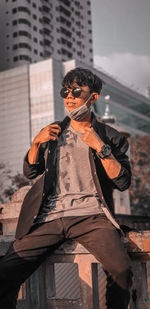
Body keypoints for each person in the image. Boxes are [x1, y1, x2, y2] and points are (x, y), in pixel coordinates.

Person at [0, 67, 133, 309]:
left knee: (122, 271)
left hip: (92, 217)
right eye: (65, 91)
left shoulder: (111, 137)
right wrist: (36, 143)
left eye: (76, 91)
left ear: (92, 98)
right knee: (6, 270)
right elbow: (30, 172)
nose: (69, 97)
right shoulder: (53, 131)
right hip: (50, 217)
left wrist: (101, 148)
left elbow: (123, 182)